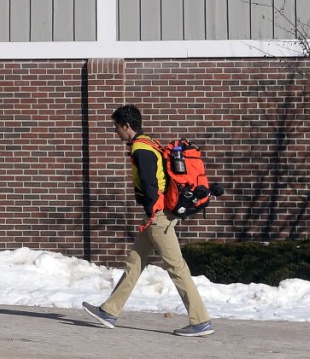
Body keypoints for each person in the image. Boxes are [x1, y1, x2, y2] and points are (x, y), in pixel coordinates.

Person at [82, 104, 214, 337]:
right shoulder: (149, 143)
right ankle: (109, 311)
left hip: (158, 216)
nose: (116, 132)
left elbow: (150, 183)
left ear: (127, 126)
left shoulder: (141, 150)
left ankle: (200, 320)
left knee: (176, 267)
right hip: (156, 215)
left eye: (117, 127)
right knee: (135, 261)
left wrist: (153, 212)